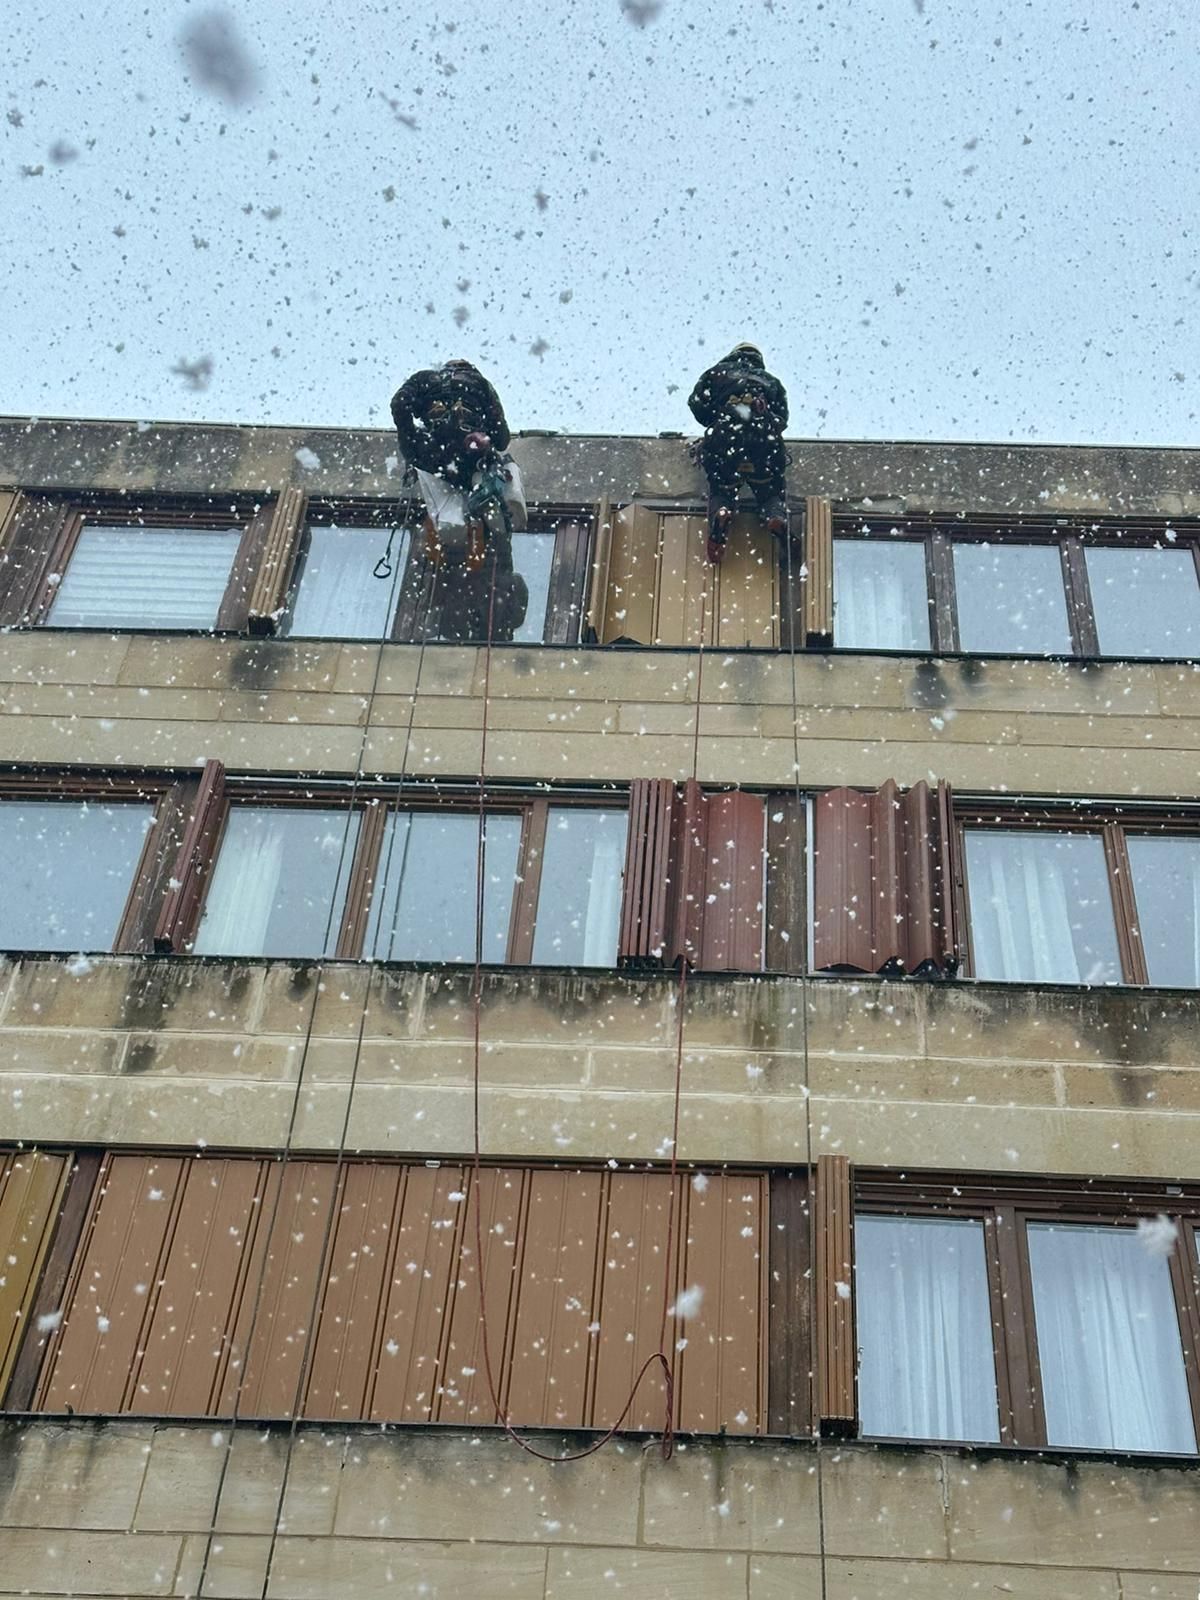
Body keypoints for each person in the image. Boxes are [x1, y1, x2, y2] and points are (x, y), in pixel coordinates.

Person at [389, 360, 528, 641]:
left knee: (435, 476)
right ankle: (486, 508)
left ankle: (458, 521)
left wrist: (411, 440)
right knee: (491, 476)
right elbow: (501, 438)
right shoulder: (481, 385)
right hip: (471, 450)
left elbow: (400, 404)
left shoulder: (423, 380)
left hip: (435, 453)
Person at [687, 343, 790, 563]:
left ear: (733, 355)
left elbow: (696, 404)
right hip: (764, 439)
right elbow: (782, 419)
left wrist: (716, 417)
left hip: (725, 436)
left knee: (721, 484)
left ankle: (722, 511)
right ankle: (774, 515)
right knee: (769, 486)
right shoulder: (771, 381)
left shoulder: (716, 373)